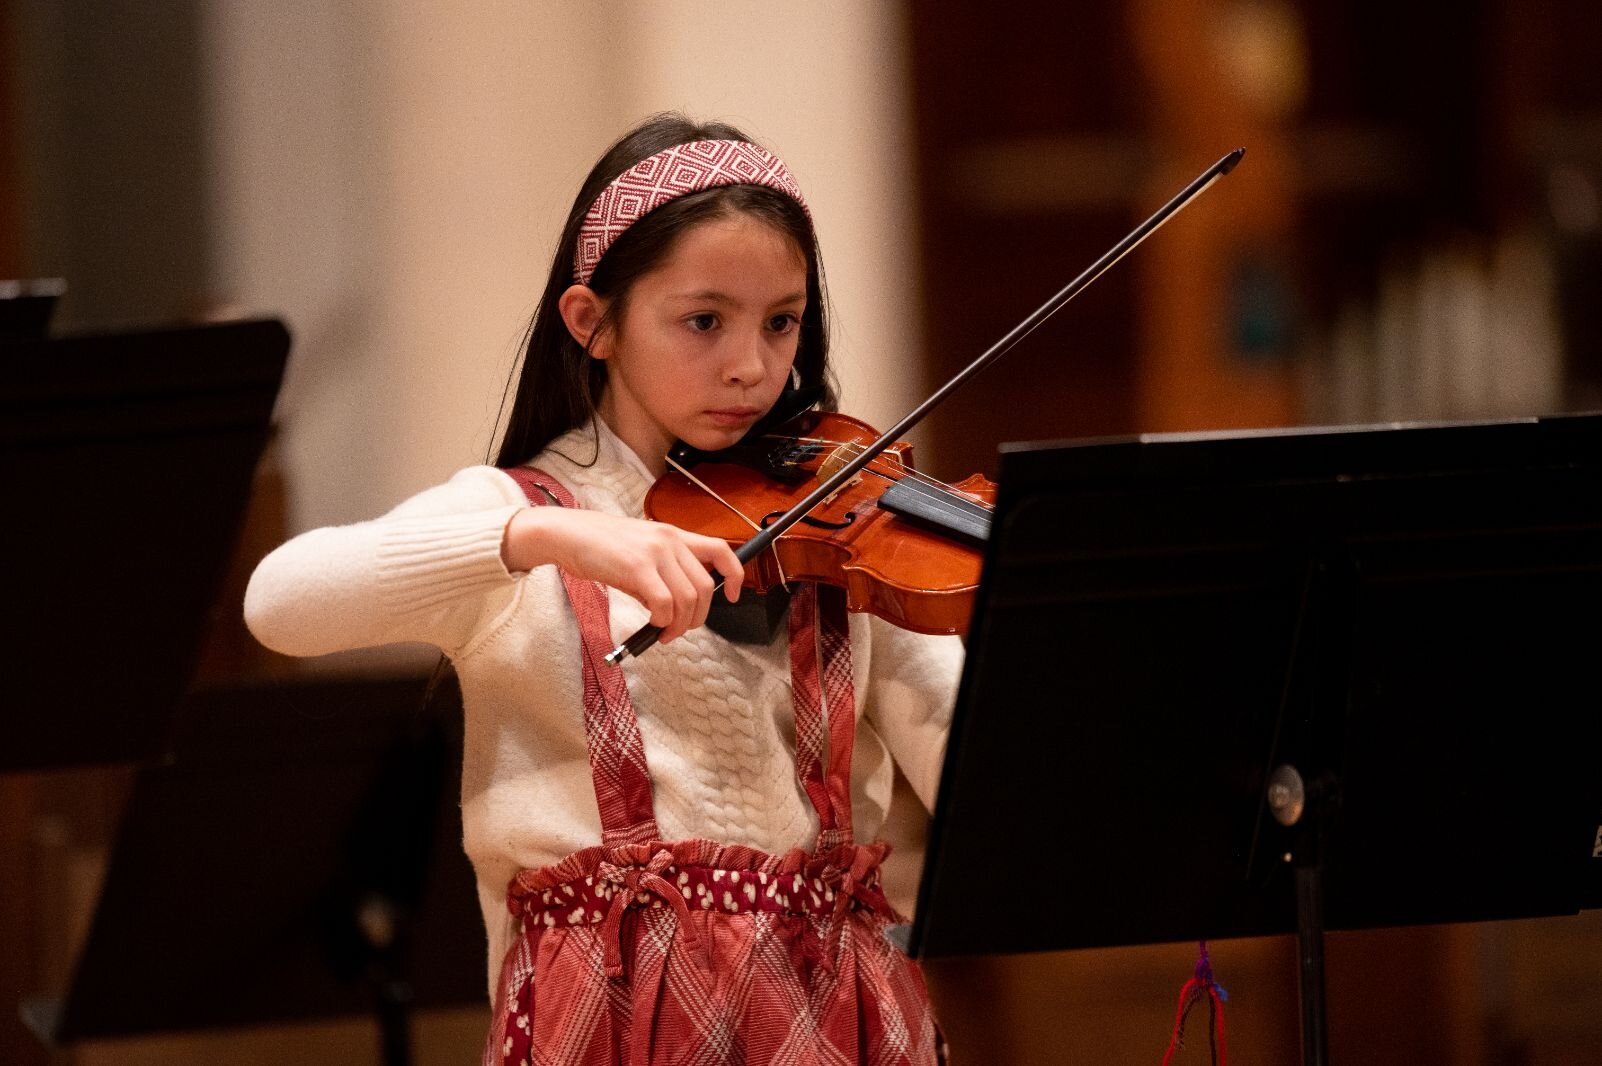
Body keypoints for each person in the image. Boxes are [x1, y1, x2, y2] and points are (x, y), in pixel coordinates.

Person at [245, 113, 962, 1065]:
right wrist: (540, 535)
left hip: (836, 1017)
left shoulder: (842, 524)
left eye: (780, 321)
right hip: (608, 1027)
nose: (752, 365)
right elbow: (279, 602)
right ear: (594, 323)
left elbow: (974, 764)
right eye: (704, 321)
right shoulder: (522, 522)